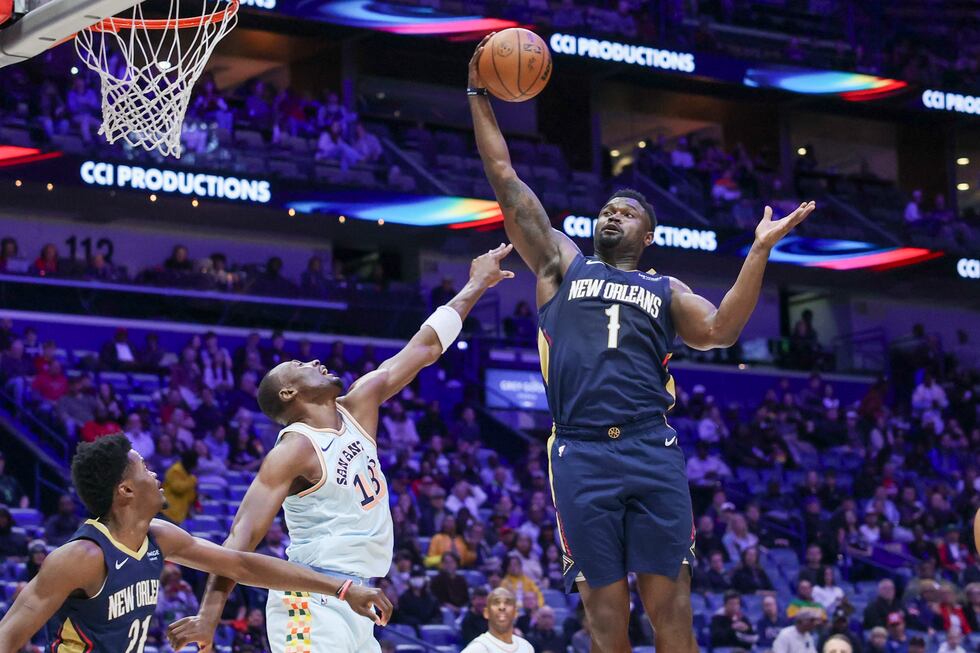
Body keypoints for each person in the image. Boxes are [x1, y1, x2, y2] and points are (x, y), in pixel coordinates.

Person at [469, 34, 816, 653]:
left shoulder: (666, 289)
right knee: (607, 623)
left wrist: (759, 250)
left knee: (672, 614)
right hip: (579, 452)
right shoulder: (560, 265)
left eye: (626, 213)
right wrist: (478, 92)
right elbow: (505, 178)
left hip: (649, 446)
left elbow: (721, 331)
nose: (612, 215)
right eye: (607, 210)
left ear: (648, 235)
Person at [168, 246, 514, 653]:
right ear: (288, 392)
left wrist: (476, 283)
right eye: (301, 366)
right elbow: (241, 537)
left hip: (359, 597)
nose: (315, 361)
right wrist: (209, 617)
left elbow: (425, 348)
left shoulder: (360, 404)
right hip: (310, 596)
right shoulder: (295, 449)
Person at [0, 435, 390, 651]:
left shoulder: (158, 536)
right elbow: (8, 635)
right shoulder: (81, 557)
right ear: (125, 490)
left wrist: (342, 589)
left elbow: (242, 565)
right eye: (144, 468)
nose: (155, 474)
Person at [461, 587, 534, 653]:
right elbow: (472, 642)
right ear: (473, 600)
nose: (483, 604)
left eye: (485, 602)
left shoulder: (490, 616)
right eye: (480, 600)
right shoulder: (468, 621)